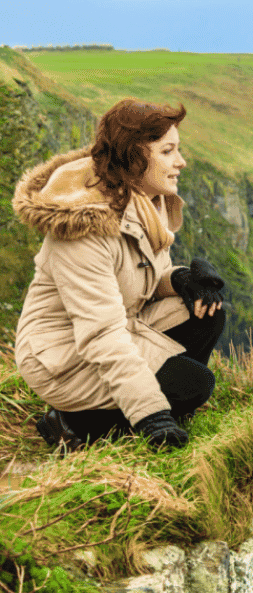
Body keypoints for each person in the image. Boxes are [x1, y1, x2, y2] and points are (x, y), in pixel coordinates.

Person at [12, 98, 226, 449]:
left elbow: (140, 281)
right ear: (135, 157)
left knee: (207, 313)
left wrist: (182, 280)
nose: (181, 162)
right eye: (168, 151)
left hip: (121, 324)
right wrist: (150, 413)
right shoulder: (84, 228)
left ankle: (159, 401)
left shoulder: (144, 201)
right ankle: (70, 422)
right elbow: (100, 334)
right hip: (64, 355)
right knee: (194, 385)